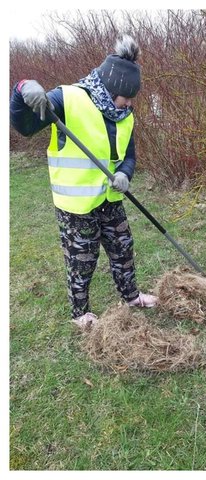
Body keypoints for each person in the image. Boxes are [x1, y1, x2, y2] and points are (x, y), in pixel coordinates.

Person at [10, 34, 158, 329]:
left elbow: (128, 157)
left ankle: (131, 296)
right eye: (126, 96)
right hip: (76, 206)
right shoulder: (67, 99)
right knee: (82, 260)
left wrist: (124, 176)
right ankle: (81, 313)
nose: (129, 103)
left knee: (123, 249)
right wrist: (22, 90)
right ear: (111, 87)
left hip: (110, 199)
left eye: (132, 98)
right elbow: (24, 126)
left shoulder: (125, 116)